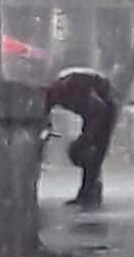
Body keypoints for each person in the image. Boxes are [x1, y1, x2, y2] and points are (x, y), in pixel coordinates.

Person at [44, 67, 119, 208]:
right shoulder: (56, 93)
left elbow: (99, 109)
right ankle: (89, 191)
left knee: (94, 150)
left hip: (107, 105)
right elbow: (45, 115)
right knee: (90, 152)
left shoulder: (70, 89)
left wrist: (87, 137)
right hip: (95, 109)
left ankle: (90, 192)